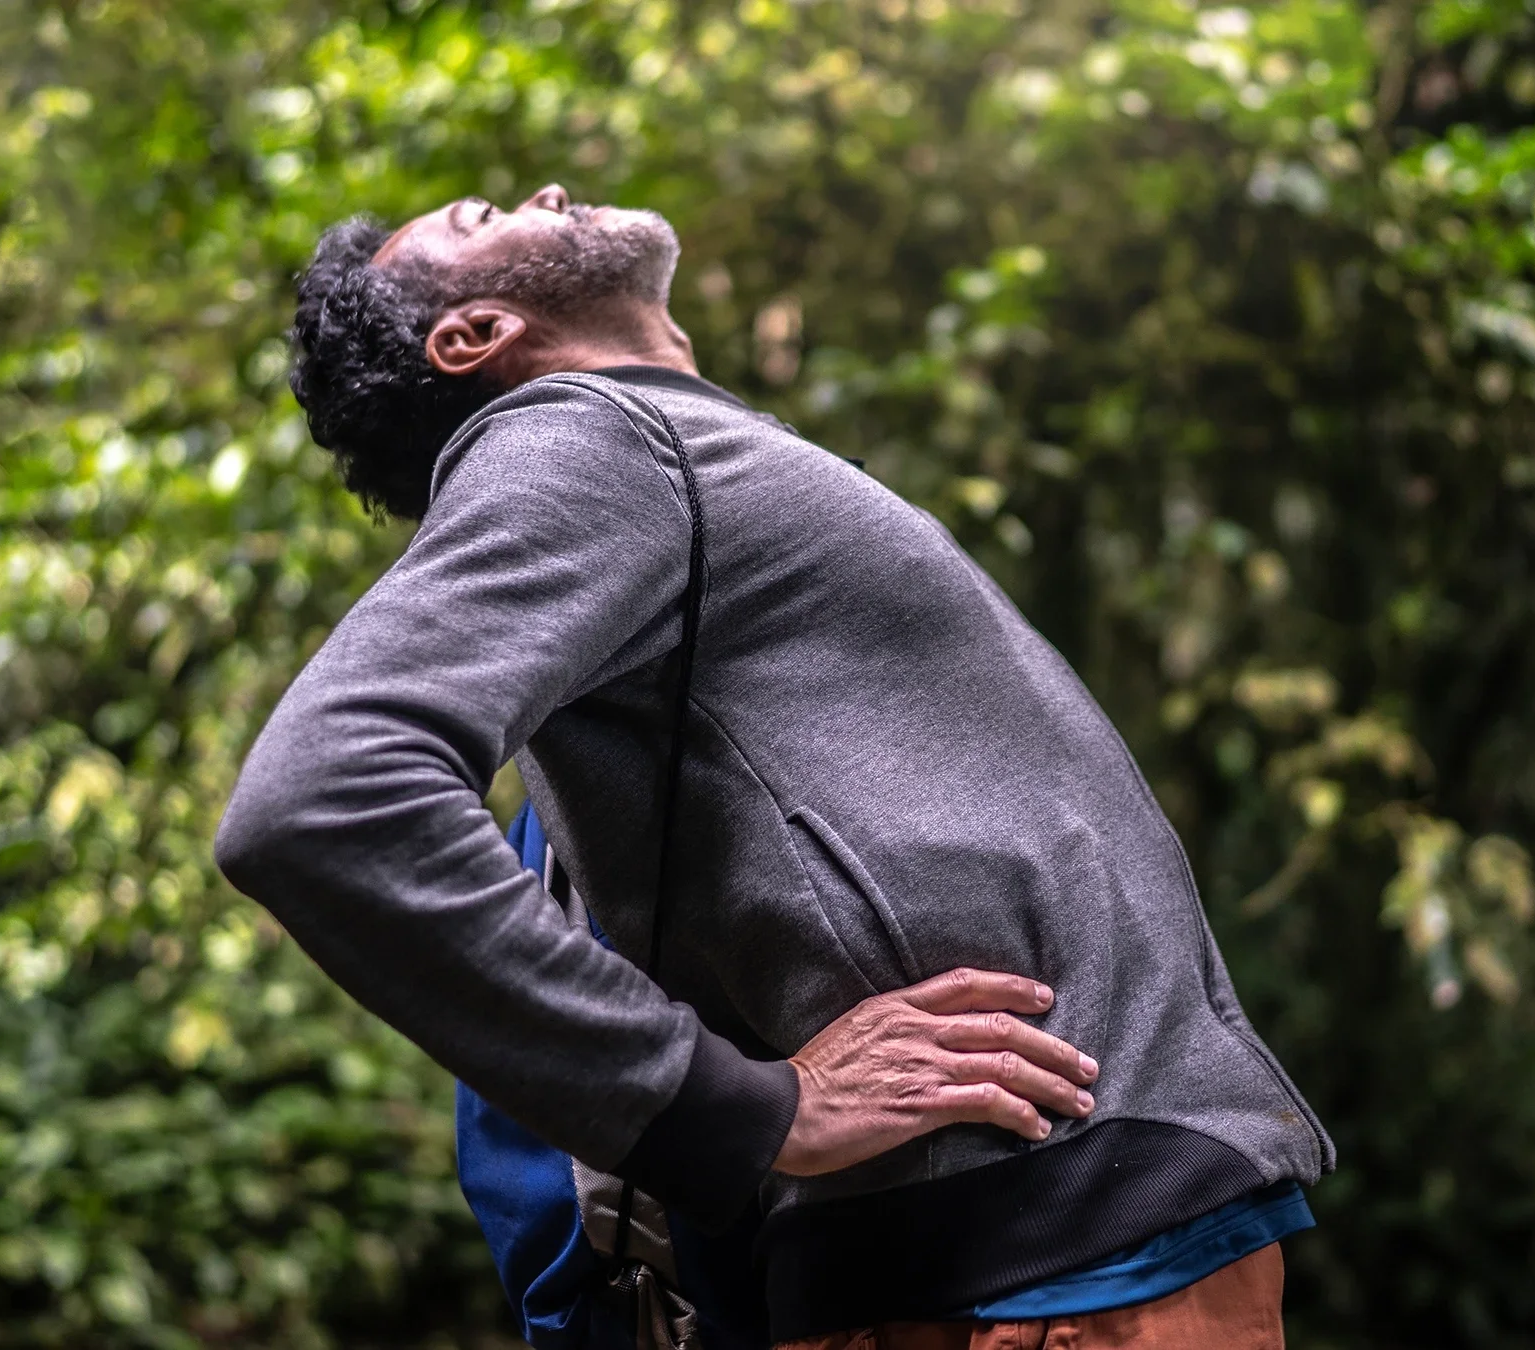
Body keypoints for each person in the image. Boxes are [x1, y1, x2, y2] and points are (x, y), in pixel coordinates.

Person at [214, 184, 1334, 1349]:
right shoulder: (590, 438)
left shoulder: (674, 482)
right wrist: (744, 1111)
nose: (543, 190)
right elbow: (323, 801)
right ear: (475, 336)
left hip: (1075, 1243)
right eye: (484, 213)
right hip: (1042, 1266)